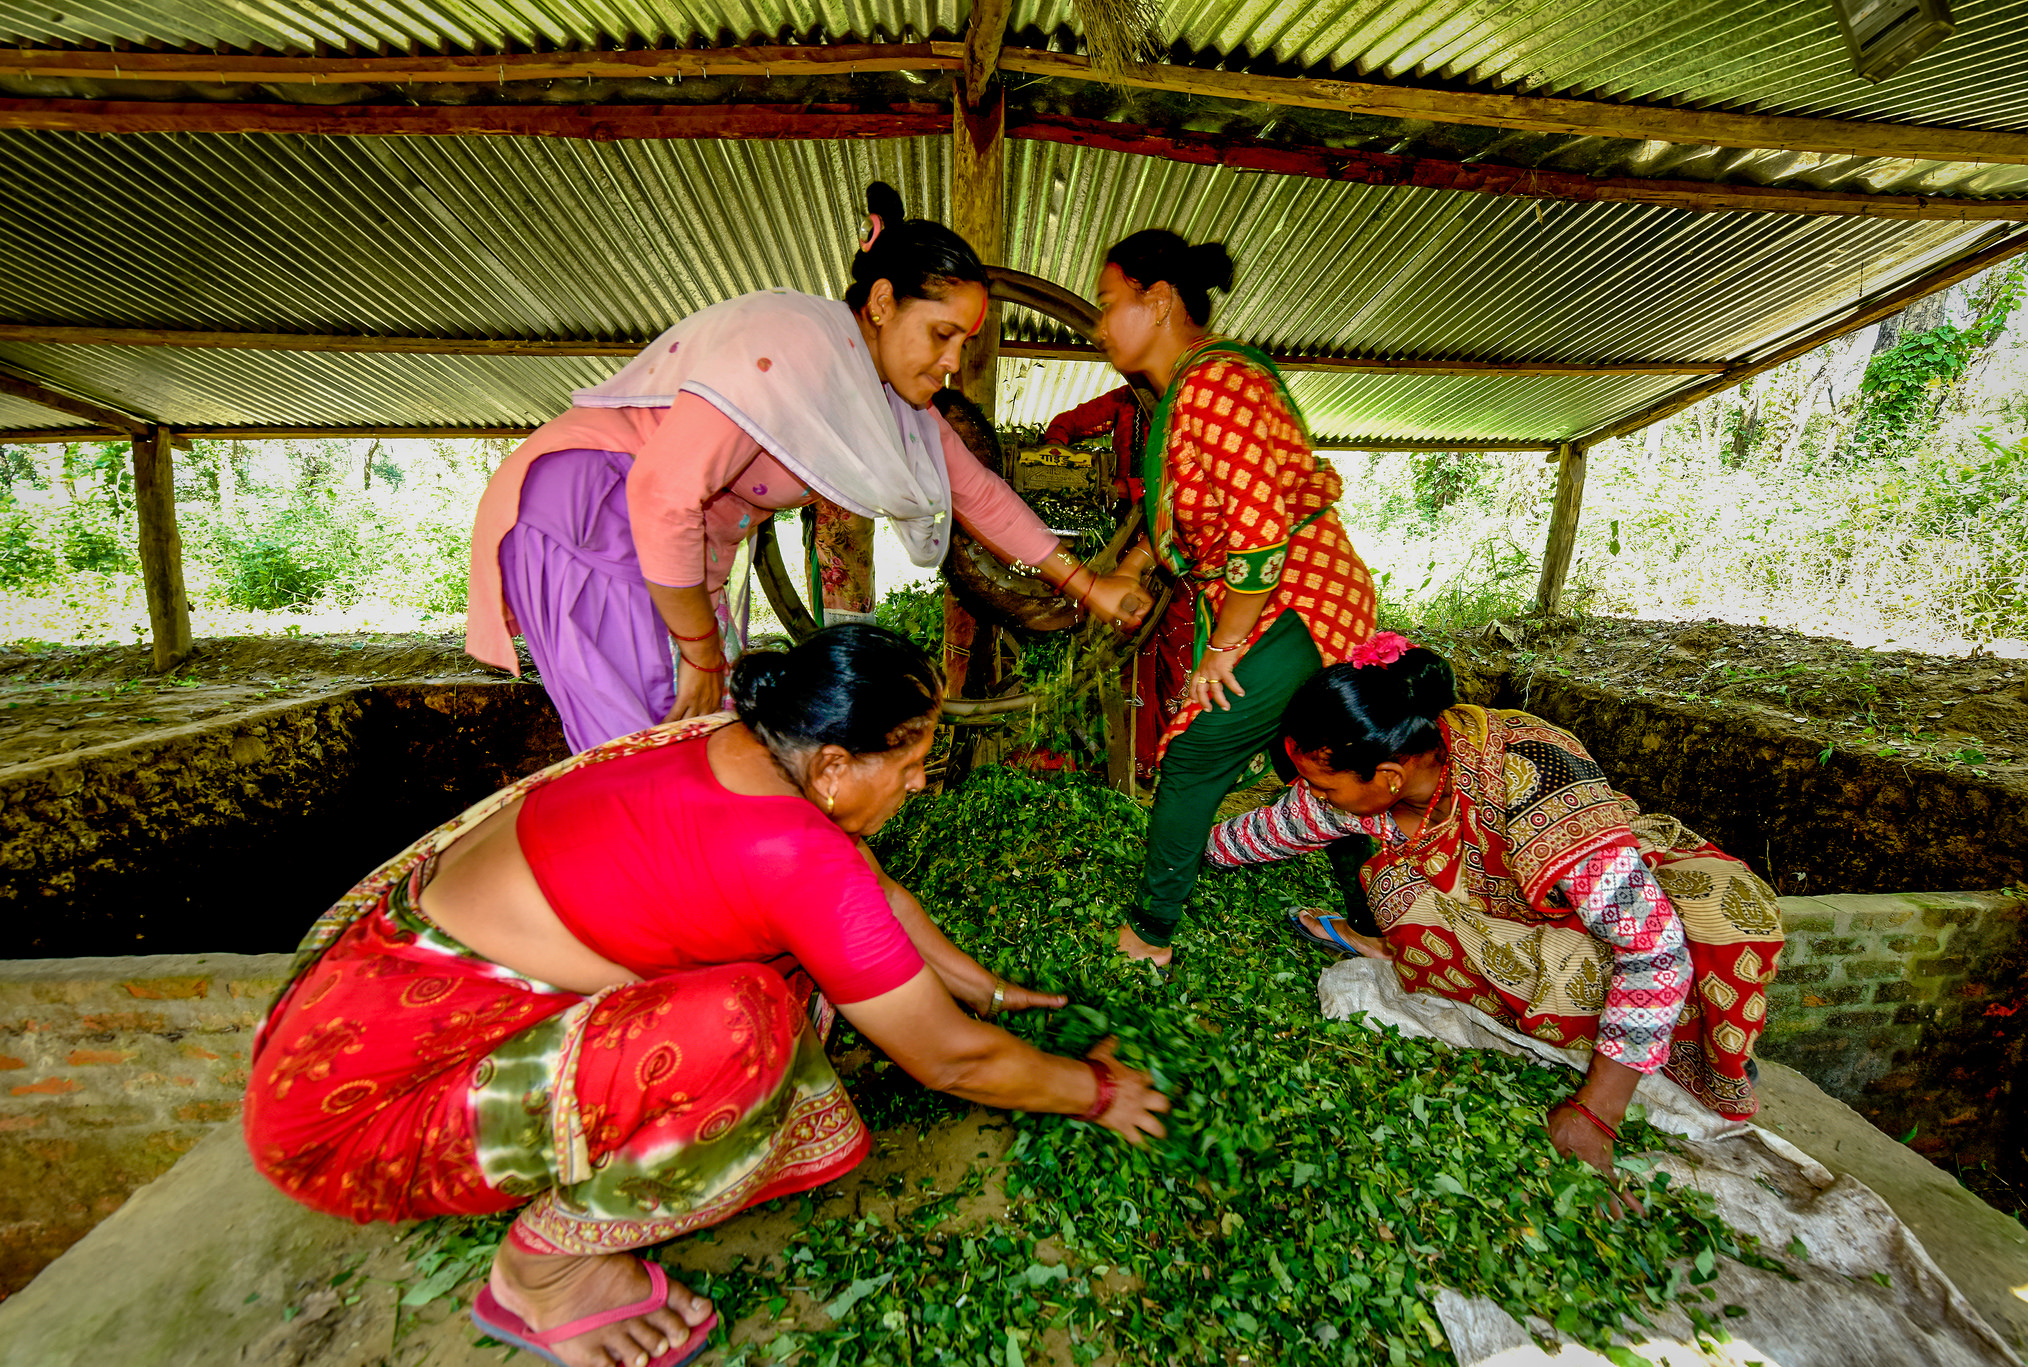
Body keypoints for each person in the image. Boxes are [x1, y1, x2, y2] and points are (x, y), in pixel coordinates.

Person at [244, 625, 1170, 1367]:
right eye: (913, 759)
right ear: (836, 767)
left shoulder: (726, 744)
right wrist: (1090, 1088)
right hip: (360, 1123)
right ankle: (544, 1274)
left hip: (341, 1022)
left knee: (797, 973)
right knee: (746, 1020)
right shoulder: (801, 863)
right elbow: (947, 1056)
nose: (923, 781)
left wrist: (987, 985)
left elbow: (873, 894)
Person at [466, 182, 1143, 753]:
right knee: (649, 757)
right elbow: (660, 492)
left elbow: (979, 494)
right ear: (881, 303)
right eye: (942, 334)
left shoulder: (886, 401)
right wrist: (701, 649)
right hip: (595, 514)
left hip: (675, 554)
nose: (952, 363)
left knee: (710, 742)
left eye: (963, 342)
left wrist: (1089, 588)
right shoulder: (789, 343)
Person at [1204, 635, 1784, 1180]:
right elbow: (1268, 829)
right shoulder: (1372, 785)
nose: (1314, 797)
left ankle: (1694, 1046)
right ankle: (1394, 950)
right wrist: (1183, 857)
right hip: (1508, 912)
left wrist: (1598, 1112)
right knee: (1397, 892)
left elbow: (1654, 947)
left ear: (1386, 776)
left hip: (1624, 893)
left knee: (1702, 928)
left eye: (1324, 786)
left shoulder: (1530, 768)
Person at [1083, 229, 1379, 967]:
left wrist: (1221, 653)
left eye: (1107, 303)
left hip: (1299, 596)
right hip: (1286, 598)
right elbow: (1184, 520)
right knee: (1325, 760)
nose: (1098, 324)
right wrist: (1135, 567)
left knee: (1191, 750)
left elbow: (1258, 538)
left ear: (1157, 303)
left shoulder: (1213, 382)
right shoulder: (1183, 395)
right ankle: (1384, 924)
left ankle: (1149, 936)